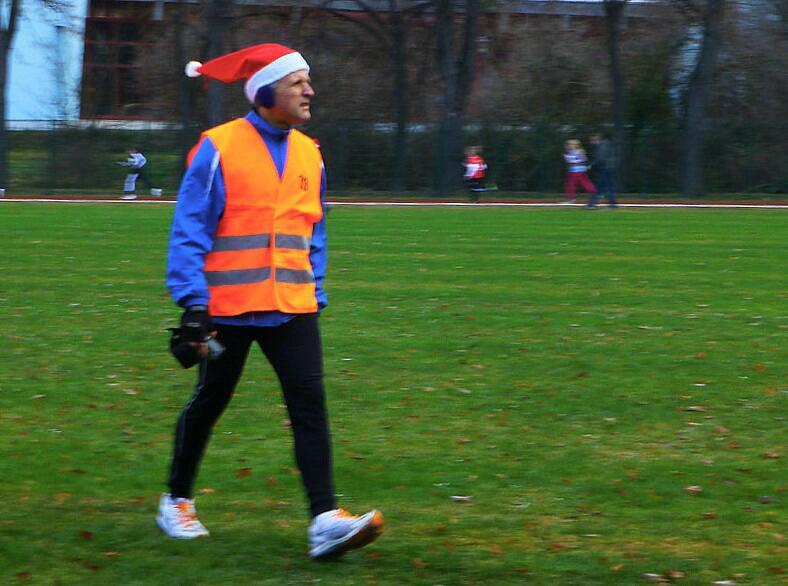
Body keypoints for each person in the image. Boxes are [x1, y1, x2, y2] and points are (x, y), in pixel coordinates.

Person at [158, 43, 383, 560]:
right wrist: (193, 304)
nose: (310, 91)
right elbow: (189, 228)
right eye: (297, 83)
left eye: (308, 81)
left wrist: (314, 288)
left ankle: (324, 520)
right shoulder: (218, 147)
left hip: (293, 305)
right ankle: (176, 500)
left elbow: (314, 229)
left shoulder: (310, 152)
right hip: (229, 307)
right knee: (209, 401)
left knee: (309, 405)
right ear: (264, 94)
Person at [588, 133, 618, 209]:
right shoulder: (604, 145)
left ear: (595, 139)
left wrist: (591, 165)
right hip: (607, 168)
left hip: (605, 168)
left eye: (591, 140)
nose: (591, 142)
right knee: (602, 186)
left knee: (605, 186)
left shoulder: (602, 146)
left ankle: (611, 204)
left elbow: (601, 158)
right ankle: (592, 204)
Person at [562, 139, 596, 204]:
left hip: (576, 171)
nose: (568, 146)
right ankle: (594, 193)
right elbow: (584, 161)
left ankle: (571, 199)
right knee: (585, 183)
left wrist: (567, 155)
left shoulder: (576, 152)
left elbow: (572, 161)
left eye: (570, 145)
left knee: (571, 184)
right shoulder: (578, 151)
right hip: (578, 170)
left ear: (575, 145)